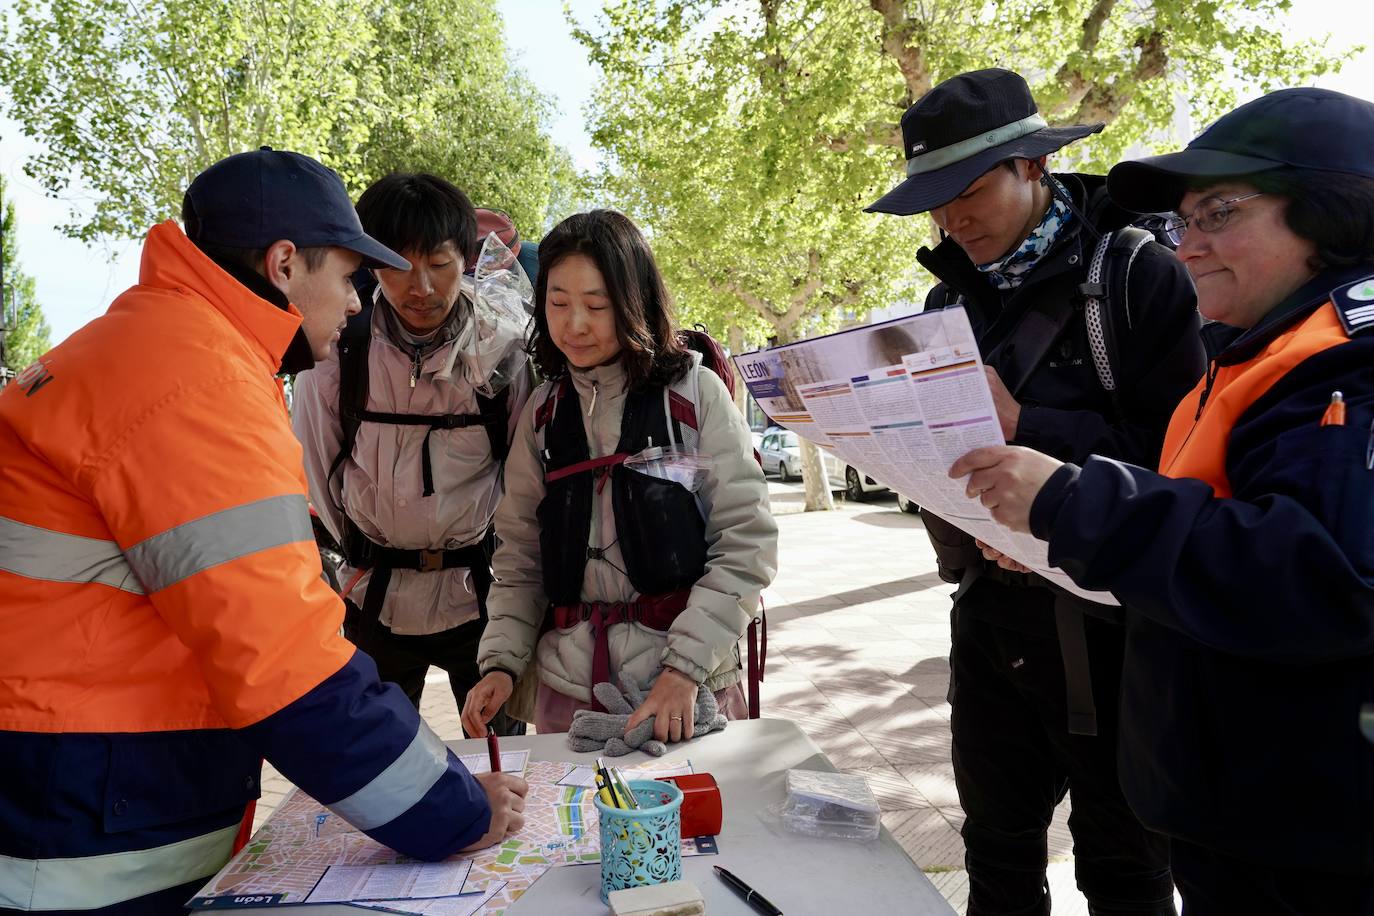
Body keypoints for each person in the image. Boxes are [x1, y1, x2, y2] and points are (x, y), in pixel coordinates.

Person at [0, 149, 527, 915]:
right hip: (86, 823)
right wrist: (454, 812)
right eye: (349, 278)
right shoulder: (197, 385)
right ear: (285, 264)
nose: (356, 305)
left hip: (72, 784)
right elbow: (285, 662)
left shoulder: (148, 346)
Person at [951, 86, 1374, 914]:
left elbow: (1322, 572)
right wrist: (1042, 531)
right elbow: (1193, 524)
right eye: (1185, 222)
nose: (1188, 247)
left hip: (1309, 838)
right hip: (1227, 811)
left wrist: (1071, 503)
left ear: (1333, 209)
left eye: (1219, 212)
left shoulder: (1350, 363)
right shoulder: (1250, 355)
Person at [866, 69, 1205, 915]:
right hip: (991, 621)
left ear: (1033, 166)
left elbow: (1184, 466)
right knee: (997, 860)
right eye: (933, 204)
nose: (952, 219)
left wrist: (1029, 426)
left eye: (969, 191)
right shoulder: (947, 301)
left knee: (1126, 872)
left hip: (1114, 634)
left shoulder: (1136, 278)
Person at [460, 209, 777, 742]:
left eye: (596, 305)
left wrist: (684, 671)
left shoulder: (693, 396)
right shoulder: (541, 414)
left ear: (634, 303)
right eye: (558, 303)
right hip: (569, 692)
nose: (575, 324)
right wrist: (501, 663)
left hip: (683, 689)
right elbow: (520, 559)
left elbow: (745, 542)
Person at [293, 173, 530, 735]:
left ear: (466, 259)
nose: (420, 286)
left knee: (502, 758)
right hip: (373, 599)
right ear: (372, 265)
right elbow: (318, 474)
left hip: (481, 599)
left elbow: (522, 482)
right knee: (380, 770)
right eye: (399, 264)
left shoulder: (501, 352)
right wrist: (366, 545)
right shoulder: (337, 355)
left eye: (439, 264)